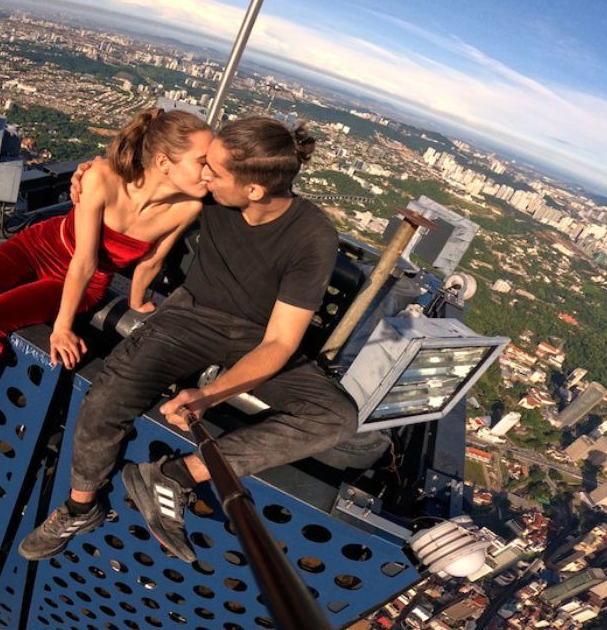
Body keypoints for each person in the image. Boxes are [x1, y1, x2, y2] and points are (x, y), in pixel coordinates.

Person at [19, 116, 359, 563]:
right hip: (192, 315)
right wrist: (89, 173)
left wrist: (210, 395)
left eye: (213, 170)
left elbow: (279, 342)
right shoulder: (211, 192)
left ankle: (177, 475)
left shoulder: (311, 236)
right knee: (107, 398)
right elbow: (138, 175)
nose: (202, 174)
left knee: (336, 418)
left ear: (253, 190)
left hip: (257, 338)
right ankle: (82, 507)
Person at [0, 108, 212, 453]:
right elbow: (84, 256)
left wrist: (136, 301)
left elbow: (152, 260)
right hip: (39, 246)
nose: (209, 170)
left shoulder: (189, 206)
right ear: (164, 161)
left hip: (85, 281)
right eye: (202, 160)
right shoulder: (103, 176)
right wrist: (63, 327)